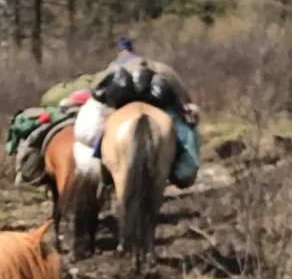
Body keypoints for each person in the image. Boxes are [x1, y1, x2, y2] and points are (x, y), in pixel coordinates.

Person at [73, 35, 202, 188]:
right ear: (133, 50)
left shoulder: (110, 70)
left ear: (118, 51)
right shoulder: (158, 67)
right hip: (158, 102)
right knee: (185, 129)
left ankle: (101, 161)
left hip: (118, 105)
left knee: (102, 130)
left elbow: (97, 94)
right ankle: (182, 169)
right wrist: (184, 109)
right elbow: (181, 95)